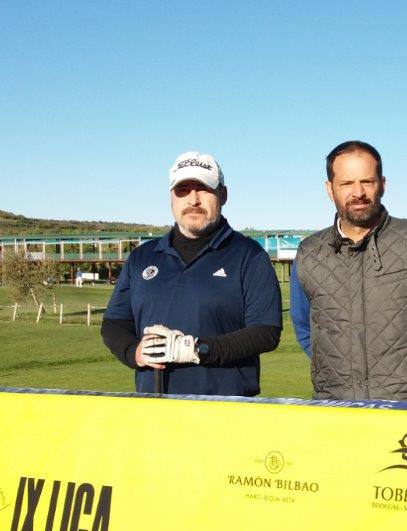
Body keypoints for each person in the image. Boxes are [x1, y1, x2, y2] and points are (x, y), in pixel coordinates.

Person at [291, 140, 407, 400]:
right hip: (334, 408)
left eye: (367, 181)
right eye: (346, 184)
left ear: (382, 184)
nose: (358, 192)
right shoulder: (309, 253)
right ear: (330, 189)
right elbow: (305, 329)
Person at [102, 151, 282, 395]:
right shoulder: (141, 257)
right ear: (172, 198)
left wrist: (197, 349)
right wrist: (134, 352)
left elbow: (266, 332)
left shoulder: (249, 255)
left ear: (223, 195)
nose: (193, 200)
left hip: (228, 412)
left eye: (204, 188)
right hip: (154, 408)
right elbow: (114, 323)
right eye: (183, 190)